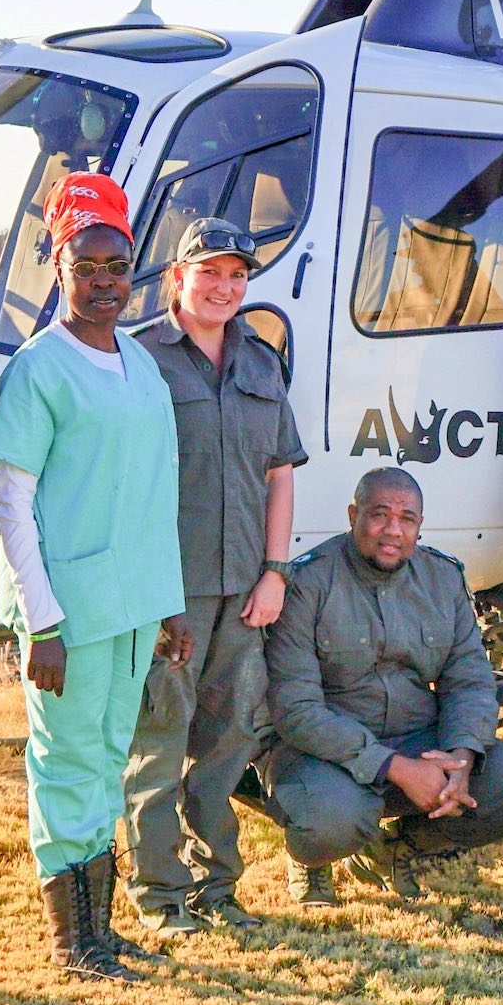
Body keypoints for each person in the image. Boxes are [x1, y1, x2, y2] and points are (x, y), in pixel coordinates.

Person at [0, 173, 193, 982]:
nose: (105, 281)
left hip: (134, 605)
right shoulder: (40, 369)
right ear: (58, 265)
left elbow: (155, 492)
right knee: (66, 763)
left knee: (106, 757)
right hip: (68, 610)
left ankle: (100, 929)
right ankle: (74, 943)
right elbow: (14, 500)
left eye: (118, 264)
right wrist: (43, 621)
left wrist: (168, 604)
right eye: (88, 264)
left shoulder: (139, 361)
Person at [121, 218, 307, 936]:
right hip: (171, 590)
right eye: (210, 273)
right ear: (177, 278)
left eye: (237, 276)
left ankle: (216, 886)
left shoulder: (260, 360)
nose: (225, 287)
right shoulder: (141, 359)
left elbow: (280, 473)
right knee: (161, 737)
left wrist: (275, 572)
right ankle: (160, 894)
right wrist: (151, 589)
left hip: (245, 589)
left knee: (230, 738)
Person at [263, 468, 503, 903]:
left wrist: (462, 756)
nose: (393, 530)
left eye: (407, 519)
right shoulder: (309, 582)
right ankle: (312, 860)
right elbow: (295, 707)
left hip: (419, 737)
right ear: (353, 514)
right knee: (331, 819)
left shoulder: (443, 577)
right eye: (379, 515)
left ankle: (398, 848)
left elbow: (469, 680)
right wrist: (397, 768)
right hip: (328, 751)